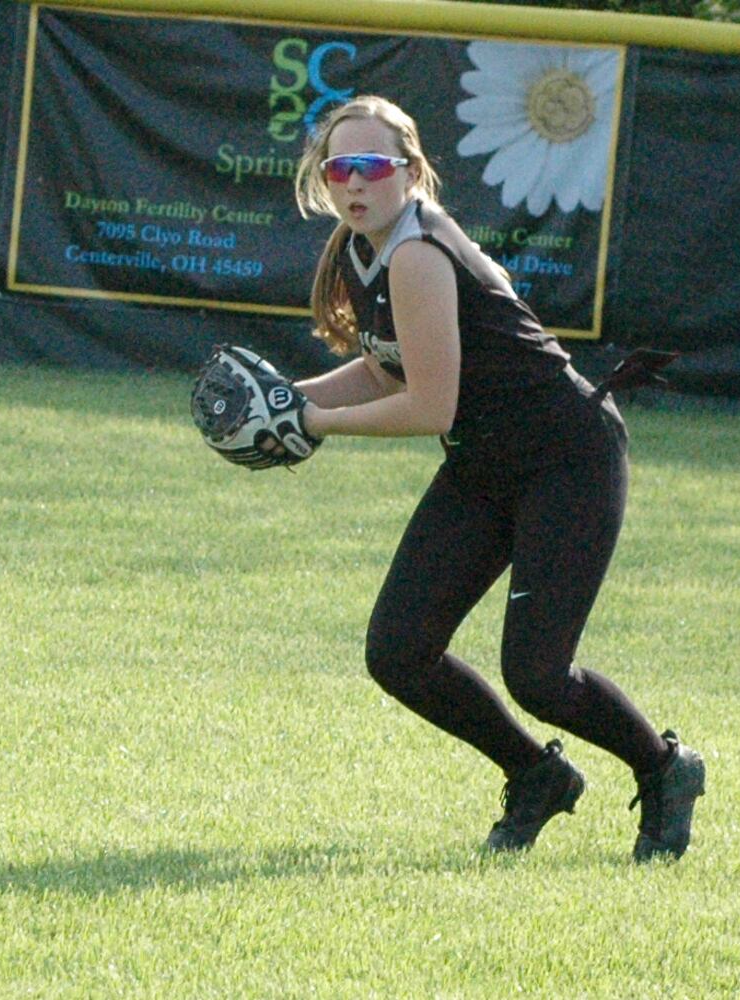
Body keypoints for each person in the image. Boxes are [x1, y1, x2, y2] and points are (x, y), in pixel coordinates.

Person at [289, 95, 704, 861]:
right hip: (486, 465)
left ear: (410, 173)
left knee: (540, 675)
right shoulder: (361, 247)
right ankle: (536, 776)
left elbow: (428, 402)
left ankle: (665, 768)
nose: (354, 182)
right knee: (399, 652)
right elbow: (388, 369)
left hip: (567, 460)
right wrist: (290, 399)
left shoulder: (415, 251)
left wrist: (308, 424)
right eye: (339, 166)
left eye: (372, 166)